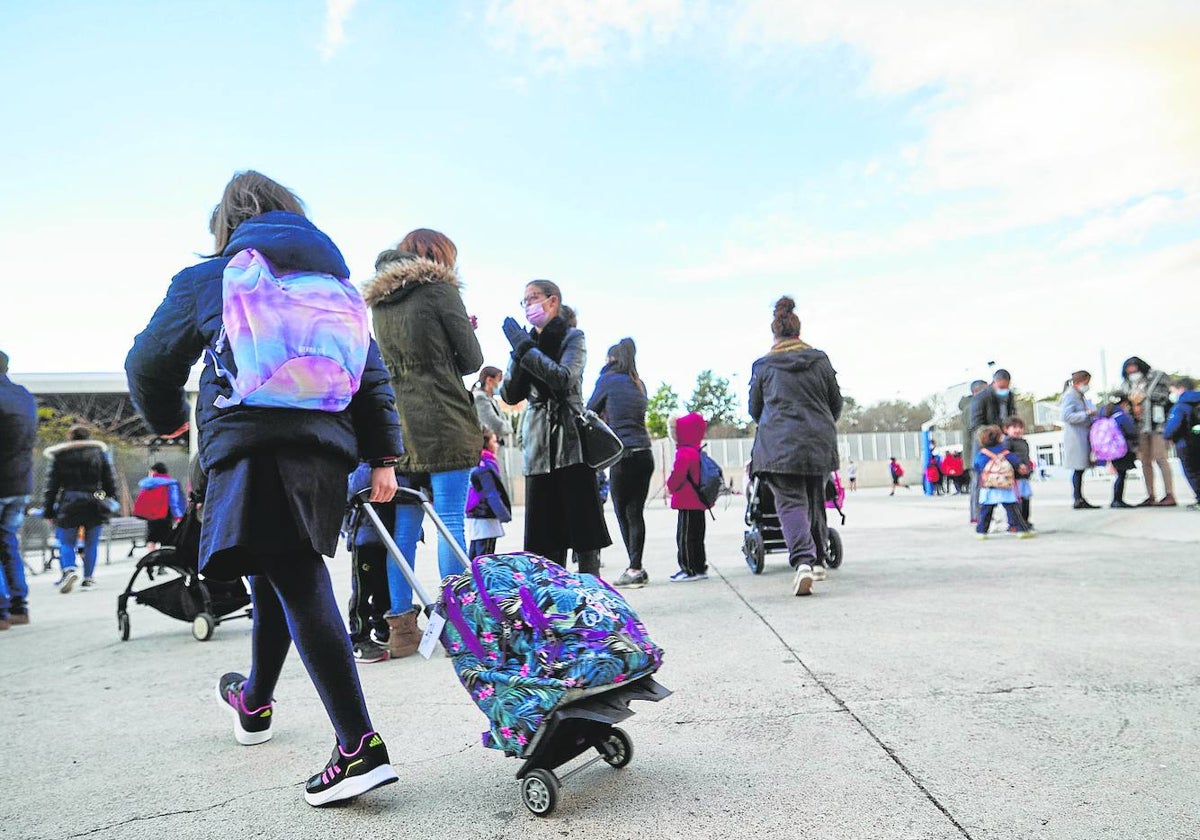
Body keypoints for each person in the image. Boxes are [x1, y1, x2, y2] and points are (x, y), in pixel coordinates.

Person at [125, 171, 403, 807]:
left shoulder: (215, 278)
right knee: (277, 572)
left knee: (297, 577)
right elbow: (371, 375)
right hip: (326, 452)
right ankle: (254, 701)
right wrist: (383, 455)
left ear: (228, 221)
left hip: (252, 448)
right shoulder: (333, 286)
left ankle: (359, 748)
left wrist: (167, 417)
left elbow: (145, 363)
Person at [363, 230, 483, 658]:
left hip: (399, 424)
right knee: (450, 517)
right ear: (436, 256)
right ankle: (455, 624)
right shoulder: (439, 290)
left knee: (405, 529)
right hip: (443, 418)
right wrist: (461, 331)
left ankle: (402, 629)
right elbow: (471, 360)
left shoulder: (379, 301)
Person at [500, 280, 611, 574]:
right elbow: (510, 394)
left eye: (533, 298)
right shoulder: (526, 347)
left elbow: (563, 378)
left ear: (553, 301)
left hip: (571, 444)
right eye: (523, 300)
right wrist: (517, 353)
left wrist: (525, 348)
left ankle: (592, 598)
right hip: (537, 448)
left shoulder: (573, 338)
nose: (528, 305)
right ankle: (550, 604)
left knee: (584, 533)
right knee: (542, 539)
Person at [747, 296, 843, 597]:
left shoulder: (763, 366)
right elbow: (835, 402)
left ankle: (802, 561)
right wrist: (821, 423)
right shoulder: (820, 360)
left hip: (778, 443)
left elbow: (754, 409)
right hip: (818, 440)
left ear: (774, 332)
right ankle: (816, 563)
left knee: (790, 502)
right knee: (815, 497)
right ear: (798, 331)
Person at [587, 337, 654, 588]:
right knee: (635, 513)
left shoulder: (607, 380)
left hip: (623, 456)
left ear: (611, 359)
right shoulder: (638, 383)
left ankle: (635, 568)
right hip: (644, 454)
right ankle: (636, 566)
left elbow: (589, 410)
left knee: (623, 513)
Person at [42, 425, 118, 592]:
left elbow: (51, 485)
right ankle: (88, 578)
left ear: (70, 437)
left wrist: (48, 509)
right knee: (91, 543)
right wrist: (108, 498)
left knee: (66, 541)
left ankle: (69, 569)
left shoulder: (60, 456)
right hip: (94, 501)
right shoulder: (99, 454)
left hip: (69, 501)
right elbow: (110, 481)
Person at [0, 350, 38, 628]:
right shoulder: (23, 395)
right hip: (20, 482)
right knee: (8, 543)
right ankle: (18, 607)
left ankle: (1, 611)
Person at [344, 462, 395, 664]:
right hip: (364, 538)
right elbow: (355, 488)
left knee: (384, 589)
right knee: (363, 591)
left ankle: (382, 629)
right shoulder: (362, 465)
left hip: (386, 538)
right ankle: (359, 637)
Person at [1119, 356, 1176, 506]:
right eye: (1129, 371)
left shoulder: (1157, 377)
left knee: (1160, 458)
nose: (1132, 373)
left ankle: (1169, 494)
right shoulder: (1126, 384)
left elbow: (1165, 397)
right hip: (1138, 427)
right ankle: (1150, 495)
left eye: (1134, 369)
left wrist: (1145, 397)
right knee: (1145, 461)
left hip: (1157, 425)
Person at [665, 412, 710, 583]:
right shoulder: (697, 451)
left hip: (686, 502)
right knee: (698, 537)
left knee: (684, 537)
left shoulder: (684, 453)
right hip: (699, 502)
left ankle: (688, 569)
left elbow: (677, 476)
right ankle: (700, 567)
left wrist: (670, 485)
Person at [973, 425, 1035, 539]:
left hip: (989, 488)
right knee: (1012, 509)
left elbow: (976, 467)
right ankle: (1021, 530)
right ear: (999, 438)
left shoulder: (982, 454)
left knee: (986, 511)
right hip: (1005, 487)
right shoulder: (1004, 452)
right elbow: (1016, 462)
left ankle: (981, 531)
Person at [968, 372, 1015, 522]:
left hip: (1003, 442)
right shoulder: (981, 398)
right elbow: (974, 424)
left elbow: (1011, 415)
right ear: (994, 383)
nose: (1004, 390)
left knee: (1006, 476)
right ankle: (978, 515)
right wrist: (992, 433)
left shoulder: (1009, 396)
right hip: (985, 444)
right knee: (981, 480)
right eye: (1001, 387)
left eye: (1006, 387)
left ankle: (1012, 517)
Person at [465, 429, 512, 558]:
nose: (496, 445)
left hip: (475, 514)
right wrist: (503, 514)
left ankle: (470, 577)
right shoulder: (485, 466)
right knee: (485, 557)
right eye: (494, 441)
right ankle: (480, 578)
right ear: (486, 444)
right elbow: (491, 493)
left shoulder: (475, 462)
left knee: (475, 554)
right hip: (485, 516)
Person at [1061, 370, 1098, 509]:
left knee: (1081, 468)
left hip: (1082, 435)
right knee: (1078, 468)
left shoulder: (1080, 395)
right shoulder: (1070, 395)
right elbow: (1066, 416)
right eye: (1086, 383)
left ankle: (1080, 497)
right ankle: (1077, 498)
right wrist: (1086, 414)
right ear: (1078, 382)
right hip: (1075, 437)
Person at [1163, 376, 1200, 510]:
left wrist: (1167, 436)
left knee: (1192, 473)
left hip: (1185, 444)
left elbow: (1172, 427)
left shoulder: (1180, 406)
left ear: (1181, 388)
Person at [133, 462, 186, 550]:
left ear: (154, 471)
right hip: (165, 516)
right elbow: (174, 500)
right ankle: (162, 560)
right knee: (165, 539)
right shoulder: (171, 483)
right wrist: (178, 516)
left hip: (151, 517)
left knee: (151, 539)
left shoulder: (148, 484)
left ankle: (151, 557)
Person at [1100, 397, 1139, 508]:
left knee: (1119, 474)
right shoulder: (1122, 417)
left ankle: (1117, 499)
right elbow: (1131, 432)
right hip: (1123, 449)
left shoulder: (1107, 416)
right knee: (1121, 475)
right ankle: (1117, 499)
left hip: (1111, 450)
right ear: (1124, 403)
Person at [1001, 416, 1034, 528]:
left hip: (1024, 477)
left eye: (1020, 427)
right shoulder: (1007, 442)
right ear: (1006, 429)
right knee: (1015, 502)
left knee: (1026, 500)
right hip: (1014, 477)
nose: (1018, 430)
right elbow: (1006, 457)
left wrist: (1029, 469)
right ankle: (1014, 523)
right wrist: (1018, 465)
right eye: (1014, 427)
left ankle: (1025, 520)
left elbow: (1027, 457)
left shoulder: (1024, 442)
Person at [472, 365, 512, 448]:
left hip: (494, 445)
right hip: (488, 446)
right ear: (489, 380)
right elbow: (494, 424)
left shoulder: (491, 399)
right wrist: (509, 427)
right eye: (499, 380)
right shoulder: (480, 398)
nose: (501, 384)